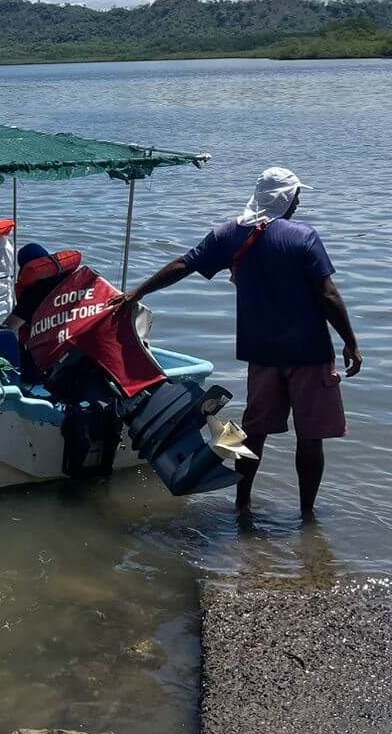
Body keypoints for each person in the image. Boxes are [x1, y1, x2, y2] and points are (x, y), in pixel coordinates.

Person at [122, 167, 362, 517]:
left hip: (261, 354)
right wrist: (351, 343)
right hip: (309, 353)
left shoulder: (229, 234)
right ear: (286, 198)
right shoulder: (303, 237)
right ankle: (307, 516)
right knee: (310, 437)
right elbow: (327, 295)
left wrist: (138, 292)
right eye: (296, 194)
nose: (299, 200)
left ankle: (242, 503)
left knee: (254, 432)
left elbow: (183, 265)